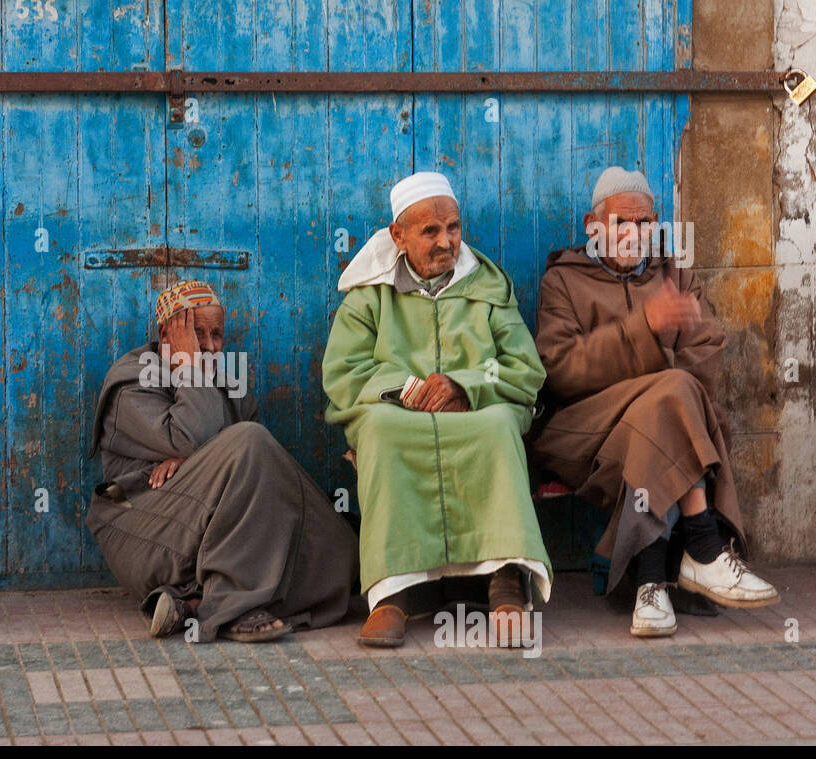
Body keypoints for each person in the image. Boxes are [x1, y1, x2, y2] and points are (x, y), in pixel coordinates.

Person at [529, 166, 778, 638]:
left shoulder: (674, 277)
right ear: (592, 225)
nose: (634, 234)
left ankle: (650, 586)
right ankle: (703, 550)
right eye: (621, 223)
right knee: (672, 394)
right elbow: (561, 371)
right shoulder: (563, 281)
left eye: (645, 223)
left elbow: (707, 358)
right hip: (584, 434)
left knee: (666, 407)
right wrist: (645, 328)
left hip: (651, 435)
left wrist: (648, 371)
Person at [322, 172, 552, 648]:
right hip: (399, 413)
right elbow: (343, 374)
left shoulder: (487, 287)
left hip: (476, 408)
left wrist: (467, 385)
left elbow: (524, 369)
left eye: (453, 228)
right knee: (381, 430)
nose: (446, 242)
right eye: (430, 231)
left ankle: (507, 578)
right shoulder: (370, 294)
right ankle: (392, 592)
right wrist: (404, 389)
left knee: (497, 426)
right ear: (398, 236)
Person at [86, 280, 358, 643]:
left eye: (217, 335)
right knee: (248, 438)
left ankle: (194, 604)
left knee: (340, 549)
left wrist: (198, 463)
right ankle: (230, 607)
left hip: (206, 529)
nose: (211, 346)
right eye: (197, 334)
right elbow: (192, 437)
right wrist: (189, 369)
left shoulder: (231, 388)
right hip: (143, 526)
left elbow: (258, 479)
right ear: (166, 334)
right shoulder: (133, 382)